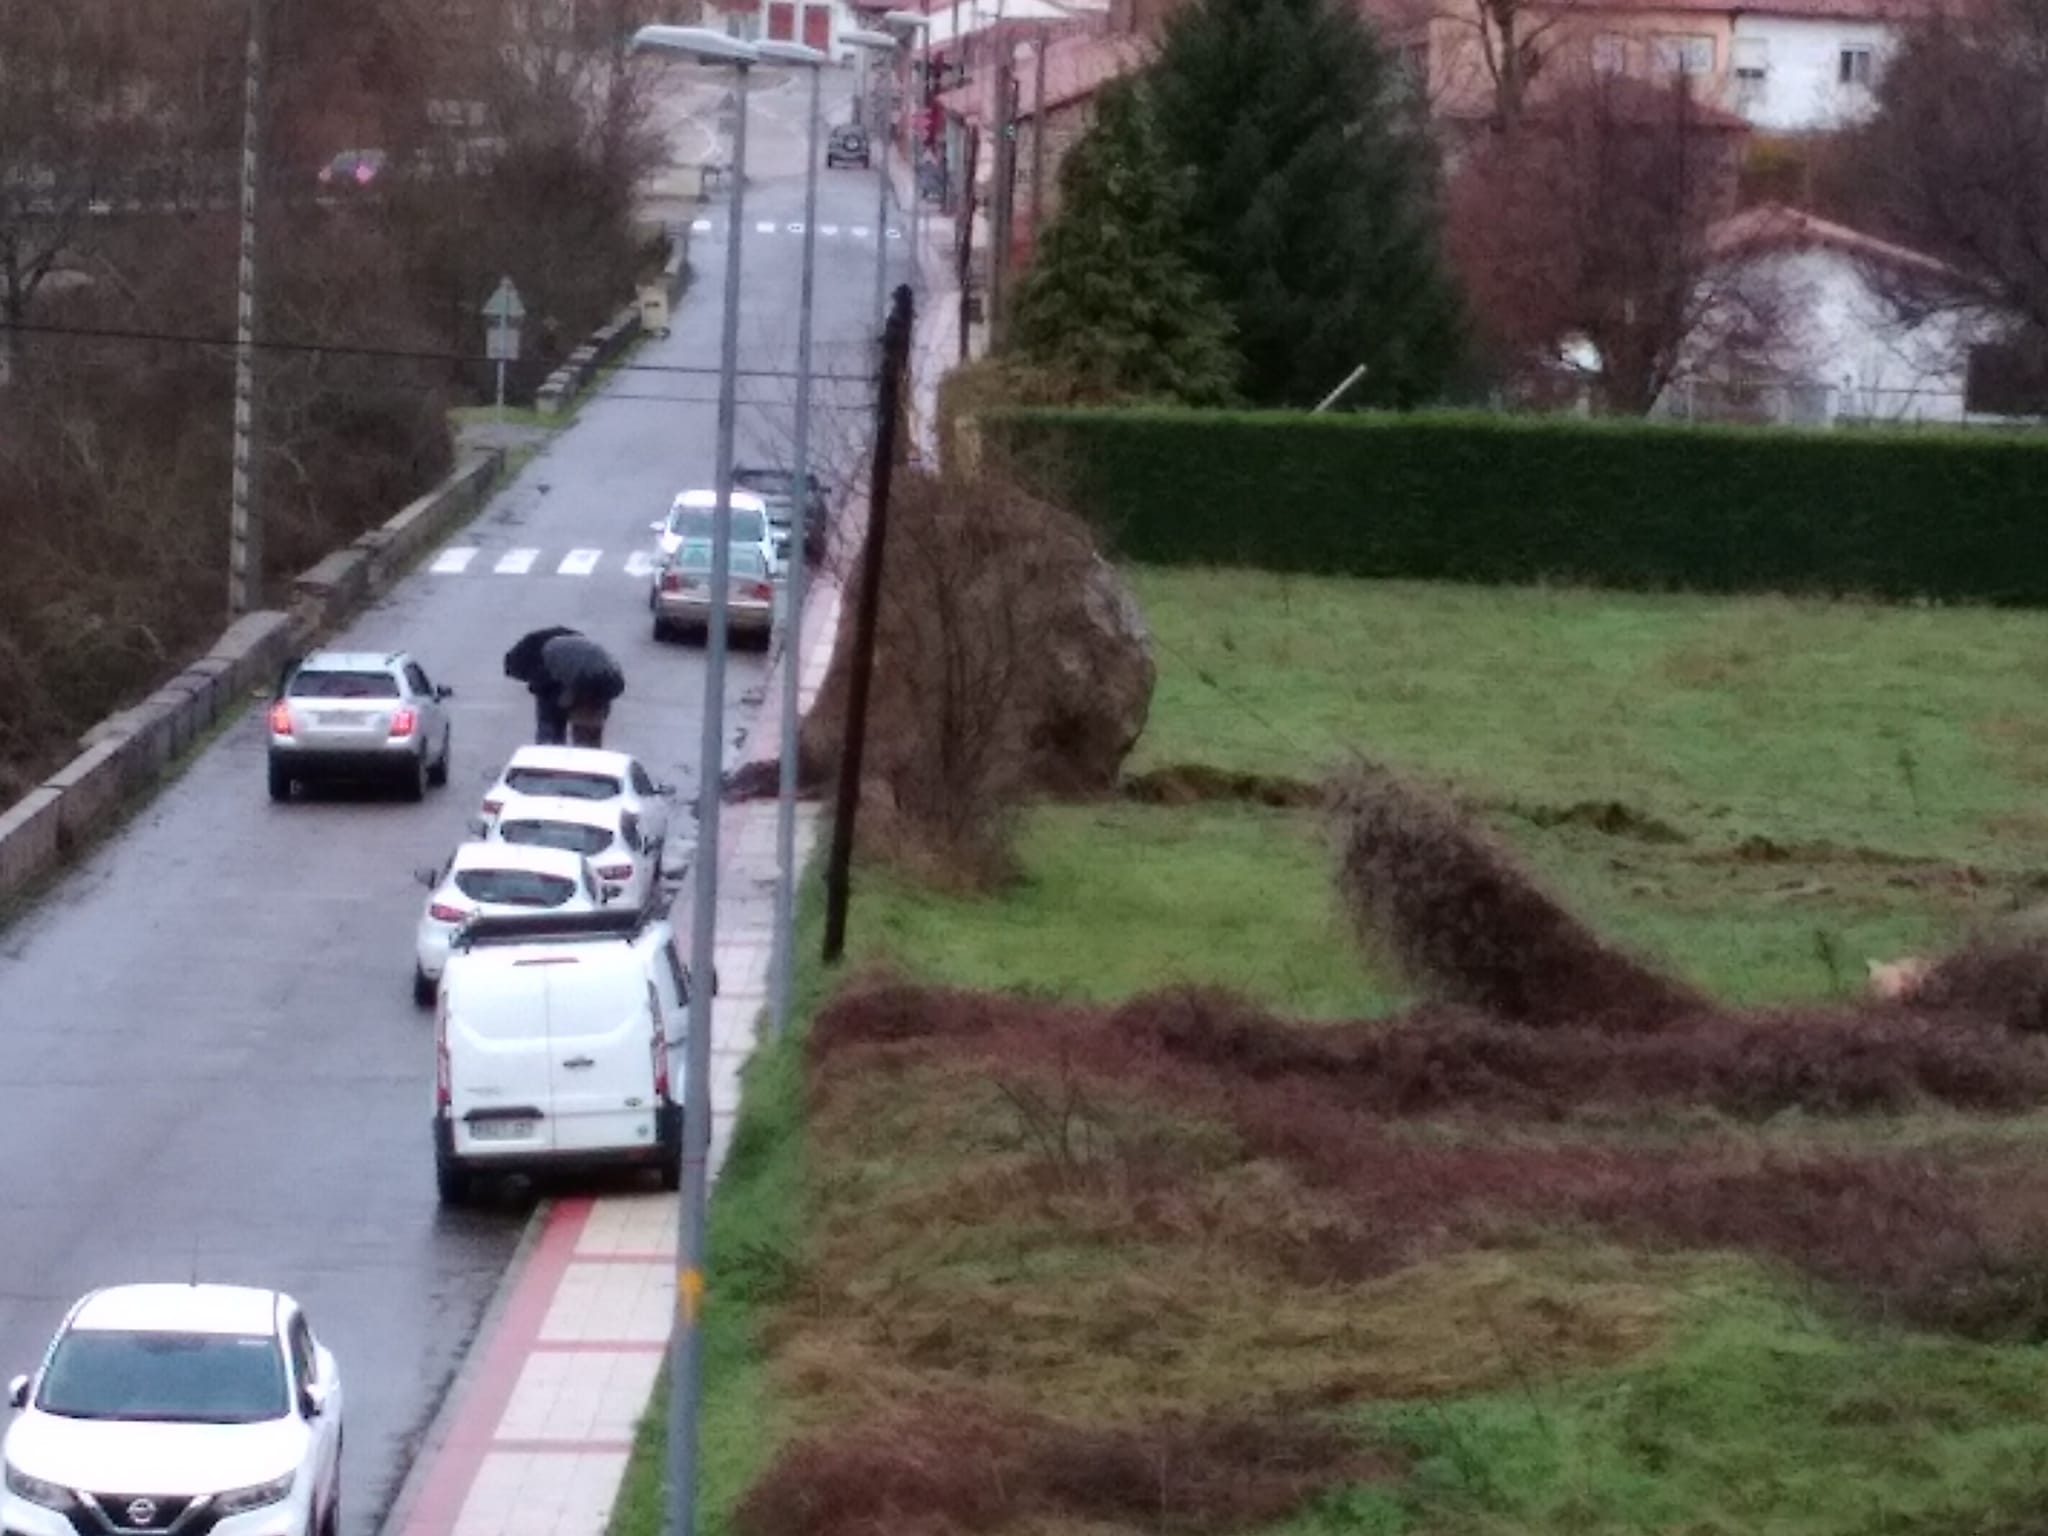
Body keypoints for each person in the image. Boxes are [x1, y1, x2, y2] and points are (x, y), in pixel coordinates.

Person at [504, 626, 581, 744]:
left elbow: (540, 679)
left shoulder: (526, 655)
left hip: (571, 666)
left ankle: (548, 747)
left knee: (548, 720)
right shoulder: (530, 646)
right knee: (567, 720)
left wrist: (535, 687)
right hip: (577, 658)